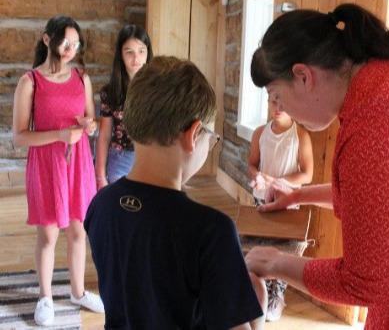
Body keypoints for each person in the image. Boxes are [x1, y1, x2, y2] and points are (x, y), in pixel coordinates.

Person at [245, 3, 389, 330]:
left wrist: (276, 262)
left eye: (276, 95)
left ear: (303, 75)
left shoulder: (381, 119)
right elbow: (384, 201)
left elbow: (368, 281)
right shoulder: (386, 77)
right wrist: (298, 195)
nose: (278, 108)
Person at [85, 56, 267, 329]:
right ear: (194, 134)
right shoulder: (212, 231)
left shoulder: (101, 205)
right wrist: (258, 307)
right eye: (211, 138)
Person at [12, 15, 104, 326]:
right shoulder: (30, 82)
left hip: (78, 164)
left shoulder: (81, 77)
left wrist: (88, 125)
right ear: (47, 39)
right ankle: (45, 296)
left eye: (76, 45)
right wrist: (59, 135)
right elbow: (20, 135)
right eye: (66, 43)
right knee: (49, 233)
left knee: (79, 230)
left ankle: (78, 292)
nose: (71, 50)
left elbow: (90, 119)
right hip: (47, 165)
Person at [247, 92, 313, 321]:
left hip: (286, 201)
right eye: (273, 101)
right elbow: (252, 165)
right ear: (267, 102)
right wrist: (258, 176)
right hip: (261, 198)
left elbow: (307, 173)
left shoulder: (300, 135)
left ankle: (277, 297)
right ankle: (257, 292)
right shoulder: (259, 133)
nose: (278, 106)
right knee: (259, 243)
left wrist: (279, 182)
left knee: (284, 250)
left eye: (283, 101)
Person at [95, 24, 153, 190]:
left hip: (152, 158)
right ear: (120, 54)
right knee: (123, 209)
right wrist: (100, 176)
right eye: (129, 52)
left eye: (141, 51)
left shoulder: (158, 88)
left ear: (148, 52)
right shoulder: (110, 92)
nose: (136, 58)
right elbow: (105, 134)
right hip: (120, 158)